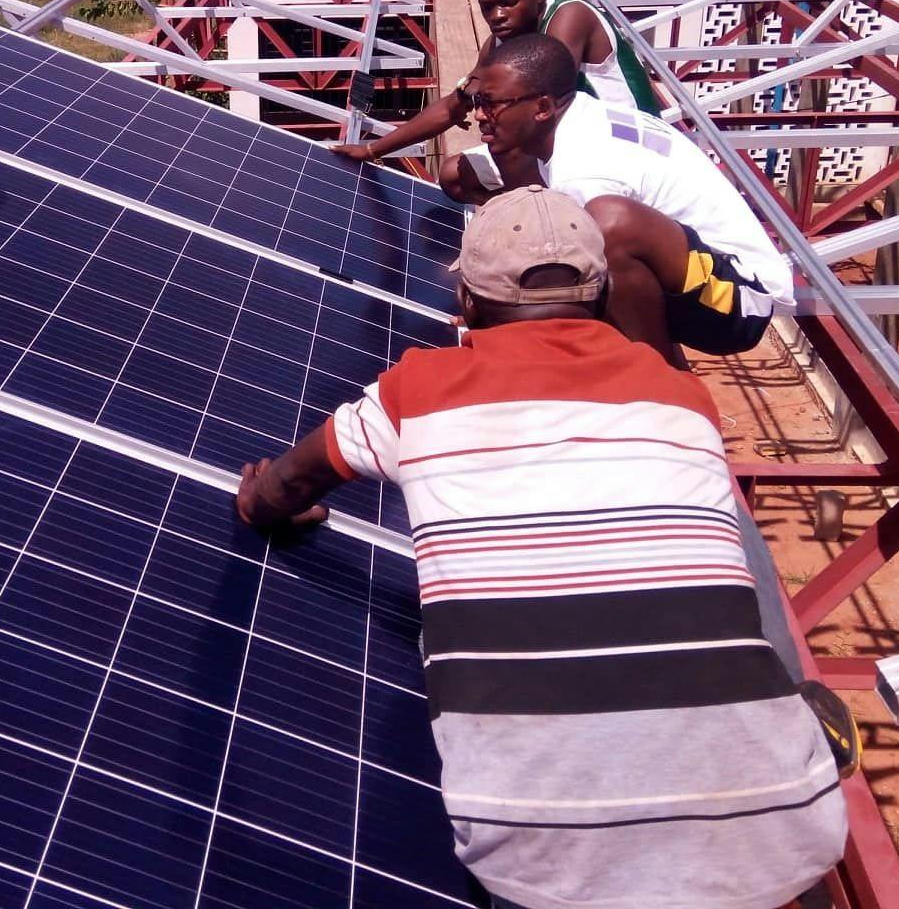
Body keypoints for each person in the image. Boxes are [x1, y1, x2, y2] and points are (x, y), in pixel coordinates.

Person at [236, 186, 848, 909]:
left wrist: (260, 501)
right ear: (602, 294)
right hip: (784, 845)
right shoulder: (683, 399)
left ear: (464, 301)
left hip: (535, 866)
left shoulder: (418, 392)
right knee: (803, 698)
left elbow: (288, 483)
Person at [458, 32, 794, 360]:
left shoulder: (583, 172)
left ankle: (659, 381)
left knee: (606, 225)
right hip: (702, 273)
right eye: (477, 101)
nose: (479, 115)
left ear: (543, 107)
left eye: (491, 103)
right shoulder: (582, 115)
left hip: (741, 303)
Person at [329, 0, 655, 167]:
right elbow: (454, 104)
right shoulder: (499, 43)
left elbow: (549, 99)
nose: (496, 15)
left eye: (508, 2)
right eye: (487, 8)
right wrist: (373, 149)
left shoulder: (569, 15)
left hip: (626, 144)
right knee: (455, 174)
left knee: (507, 146)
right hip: (572, 144)